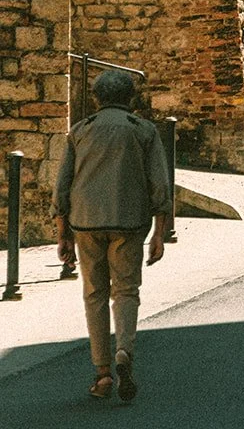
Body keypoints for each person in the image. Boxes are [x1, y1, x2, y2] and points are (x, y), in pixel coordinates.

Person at [53, 68, 172, 403]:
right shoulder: (143, 130)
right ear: (131, 98)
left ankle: (102, 372)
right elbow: (160, 184)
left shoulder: (80, 130)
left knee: (94, 294)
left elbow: (62, 185)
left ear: (97, 99)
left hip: (86, 222)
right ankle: (124, 350)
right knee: (126, 291)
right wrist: (160, 233)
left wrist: (63, 234)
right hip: (129, 221)